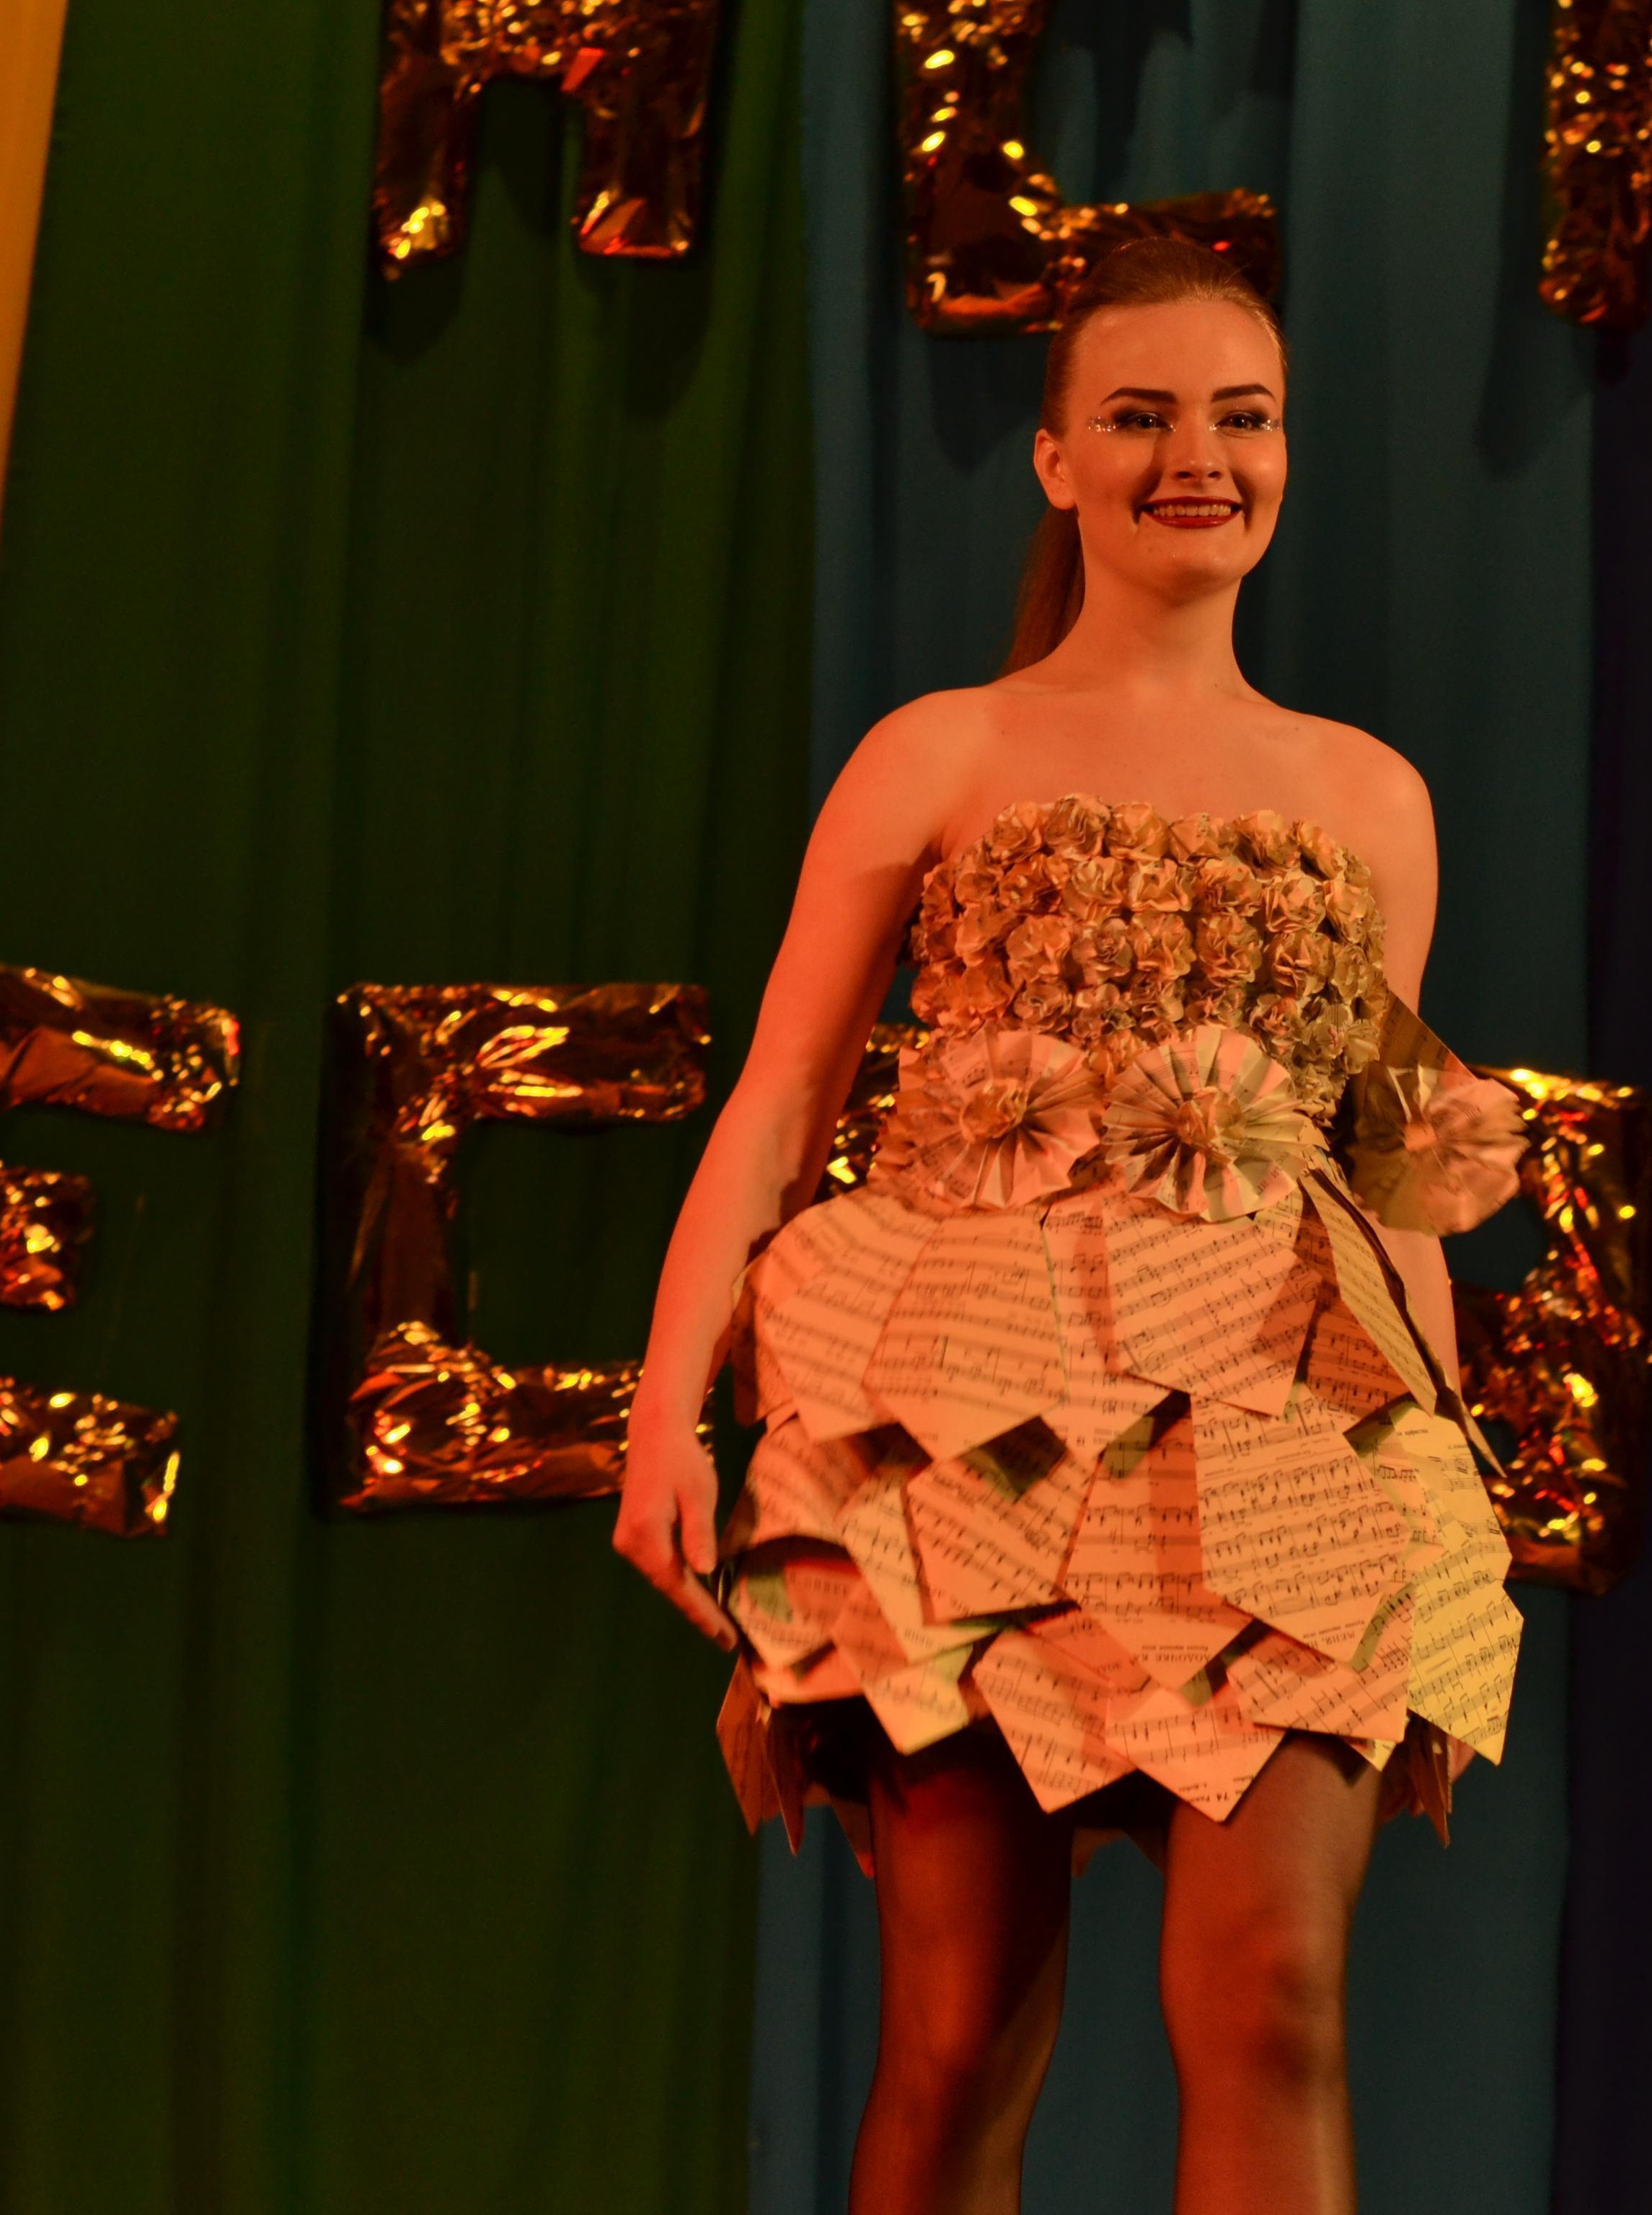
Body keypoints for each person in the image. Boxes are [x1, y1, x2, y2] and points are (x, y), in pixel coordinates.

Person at [614, 237, 1528, 2215]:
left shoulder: (1368, 798)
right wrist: (668, 1405)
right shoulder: (945, 749)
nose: (1199, 456)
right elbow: (780, 1099)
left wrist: (1443, 1456)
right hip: (974, 1420)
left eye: (1242, 417)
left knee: (1275, 1997)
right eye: (1141, 415)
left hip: (1283, 1426)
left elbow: (1382, 1173)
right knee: (961, 2032)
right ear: (1054, 462)